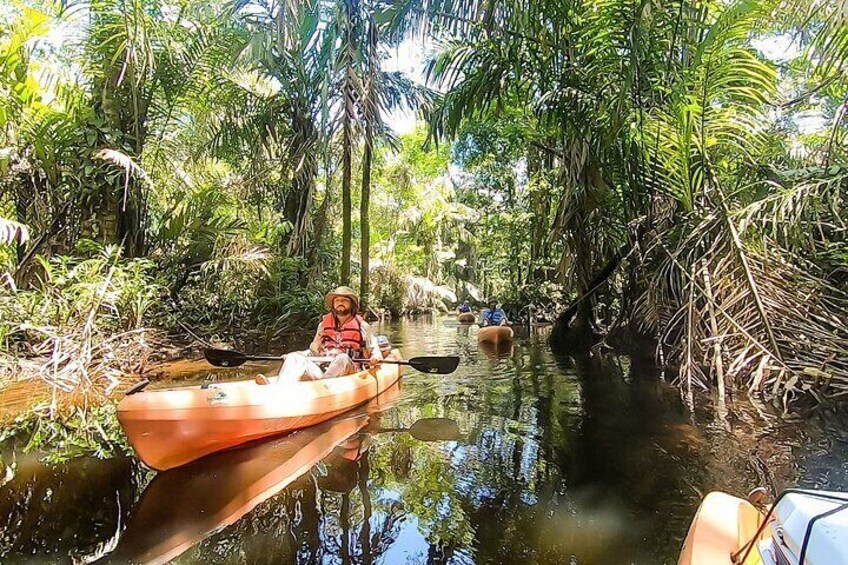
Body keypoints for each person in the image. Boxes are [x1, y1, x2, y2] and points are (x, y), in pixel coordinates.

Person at [276, 286, 382, 384]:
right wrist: (298, 355)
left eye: (344, 300)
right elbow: (313, 351)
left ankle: (322, 388)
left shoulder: (362, 326)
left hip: (350, 370)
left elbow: (375, 350)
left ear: (352, 304)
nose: (340, 302)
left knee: (342, 358)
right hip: (323, 370)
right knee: (294, 357)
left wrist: (376, 357)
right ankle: (279, 387)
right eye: (337, 300)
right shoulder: (323, 325)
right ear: (333, 304)